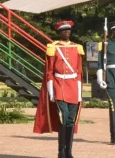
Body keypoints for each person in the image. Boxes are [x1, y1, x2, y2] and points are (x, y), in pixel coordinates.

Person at [34, 20, 84, 158]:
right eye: (64, 30)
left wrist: (79, 91)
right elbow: (49, 71)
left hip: (73, 85)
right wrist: (51, 90)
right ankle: (61, 151)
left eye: (68, 29)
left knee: (71, 119)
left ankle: (69, 152)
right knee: (63, 116)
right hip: (59, 84)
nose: (67, 32)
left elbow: (79, 71)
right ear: (59, 32)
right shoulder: (53, 47)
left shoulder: (77, 47)